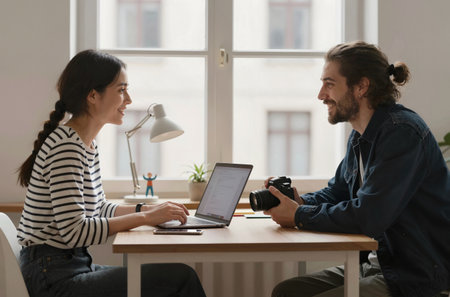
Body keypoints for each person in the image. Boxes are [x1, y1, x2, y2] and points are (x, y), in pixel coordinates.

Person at [264, 41, 450, 297]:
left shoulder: (401, 133)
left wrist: (298, 215)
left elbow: (369, 215)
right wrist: (297, 200)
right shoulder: (361, 136)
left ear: (361, 86)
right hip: (377, 264)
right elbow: (337, 192)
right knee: (287, 291)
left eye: (329, 84)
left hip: (414, 275)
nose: (320, 95)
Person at [16, 50, 206, 297]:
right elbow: (75, 231)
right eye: (121, 90)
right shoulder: (66, 147)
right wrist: (146, 218)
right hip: (53, 278)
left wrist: (148, 210)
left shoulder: (85, 144)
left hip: (65, 268)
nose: (128, 99)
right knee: (181, 278)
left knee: (173, 277)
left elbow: (98, 209)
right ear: (93, 95)